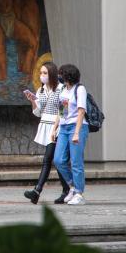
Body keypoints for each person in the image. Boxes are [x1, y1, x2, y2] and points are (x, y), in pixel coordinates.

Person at [23, 62, 70, 204]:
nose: (42, 76)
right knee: (55, 160)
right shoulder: (41, 90)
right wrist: (32, 101)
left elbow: (63, 110)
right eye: (41, 73)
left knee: (48, 159)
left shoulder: (61, 89)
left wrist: (57, 127)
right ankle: (66, 189)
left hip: (57, 126)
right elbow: (38, 112)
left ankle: (37, 191)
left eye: (45, 73)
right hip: (45, 125)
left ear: (52, 74)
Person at [52, 64, 89, 205]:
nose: (59, 76)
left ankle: (79, 193)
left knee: (76, 162)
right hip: (64, 127)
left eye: (61, 74)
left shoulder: (80, 89)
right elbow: (61, 110)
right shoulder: (63, 89)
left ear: (68, 75)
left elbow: (81, 111)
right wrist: (55, 127)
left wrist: (77, 133)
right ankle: (73, 186)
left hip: (77, 126)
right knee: (58, 160)